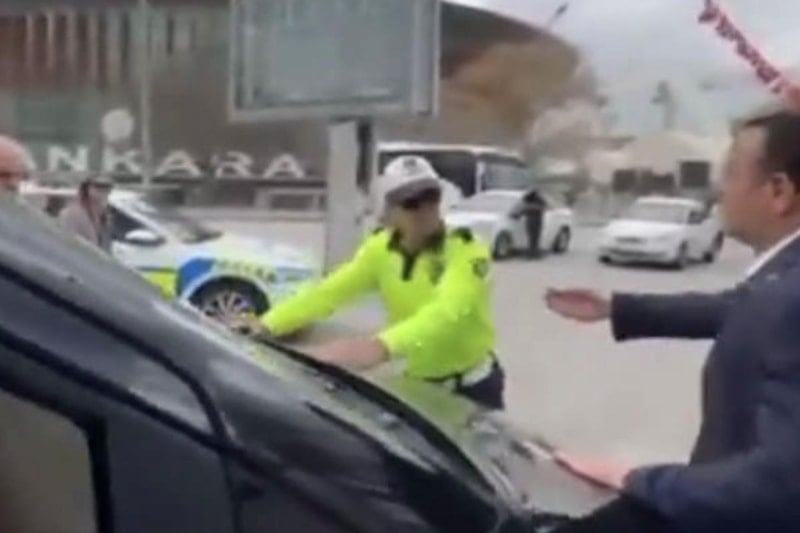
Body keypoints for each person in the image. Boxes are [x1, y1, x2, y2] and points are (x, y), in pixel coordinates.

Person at [544, 110, 800, 531]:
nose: (720, 189)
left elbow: (781, 485)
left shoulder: (789, 297)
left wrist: (636, 479)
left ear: (778, 192)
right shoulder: (780, 282)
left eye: (732, 172)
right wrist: (618, 307)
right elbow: (736, 308)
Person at [235, 156, 505, 409]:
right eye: (410, 202)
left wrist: (382, 346)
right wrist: (268, 324)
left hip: (473, 387)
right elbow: (327, 292)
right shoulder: (380, 250)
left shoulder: (466, 249)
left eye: (431, 197)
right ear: (389, 211)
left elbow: (448, 311)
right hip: (421, 384)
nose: (424, 209)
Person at [58, 175, 114, 252]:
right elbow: (67, 242)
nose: (103, 191)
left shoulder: (105, 215)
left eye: (107, 187)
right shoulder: (71, 213)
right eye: (98, 186)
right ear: (87, 188)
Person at [521, 189, 546, 258]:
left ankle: (532, 253)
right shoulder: (539, 202)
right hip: (537, 220)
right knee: (535, 238)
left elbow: (523, 210)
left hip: (530, 221)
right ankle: (534, 253)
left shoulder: (528, 202)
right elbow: (544, 206)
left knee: (531, 237)